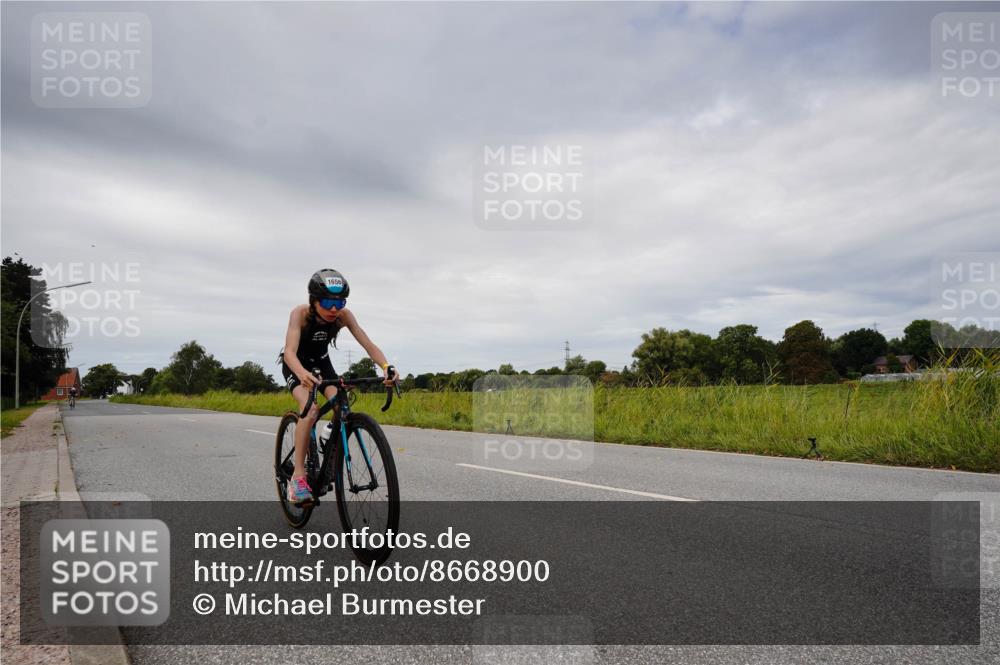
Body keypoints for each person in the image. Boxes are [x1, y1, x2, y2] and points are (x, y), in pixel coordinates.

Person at [280, 269, 398, 505]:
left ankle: (327, 438)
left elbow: (367, 343)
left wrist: (386, 366)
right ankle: (298, 477)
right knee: (310, 409)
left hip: (322, 364)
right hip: (297, 366)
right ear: (313, 300)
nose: (334, 309)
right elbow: (289, 353)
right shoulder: (300, 314)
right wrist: (303, 374)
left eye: (340, 302)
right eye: (327, 302)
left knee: (341, 405)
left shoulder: (344, 316)